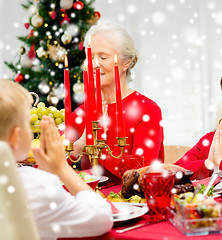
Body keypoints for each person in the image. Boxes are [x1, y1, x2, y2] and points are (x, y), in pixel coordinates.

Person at [0, 79, 113, 240]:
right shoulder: (33, 184)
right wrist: (62, 168)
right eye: (27, 121)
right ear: (15, 136)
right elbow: (101, 217)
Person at [72, 23, 164, 183]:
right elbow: (51, 166)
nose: (94, 64)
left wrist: (98, 146)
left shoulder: (147, 110)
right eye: (90, 57)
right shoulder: (81, 113)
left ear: (126, 63)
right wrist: (81, 144)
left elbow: (139, 174)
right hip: (89, 202)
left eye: (103, 57)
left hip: (132, 205)